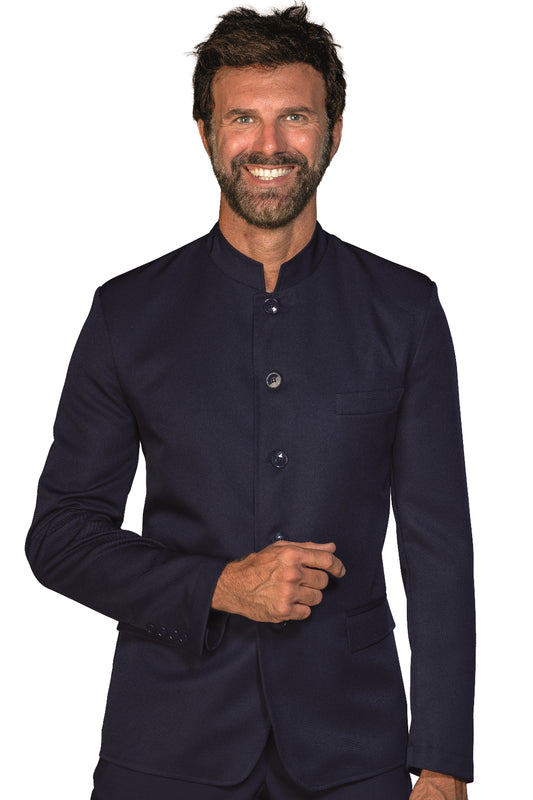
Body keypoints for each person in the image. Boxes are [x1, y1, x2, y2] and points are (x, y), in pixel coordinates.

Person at [25, 5, 475, 799]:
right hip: (165, 743)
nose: (268, 145)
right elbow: (61, 537)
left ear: (333, 132)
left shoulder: (403, 311)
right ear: (206, 133)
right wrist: (221, 587)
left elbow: (437, 549)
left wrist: (441, 761)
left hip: (354, 746)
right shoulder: (127, 314)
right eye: (242, 118)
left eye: (294, 116)